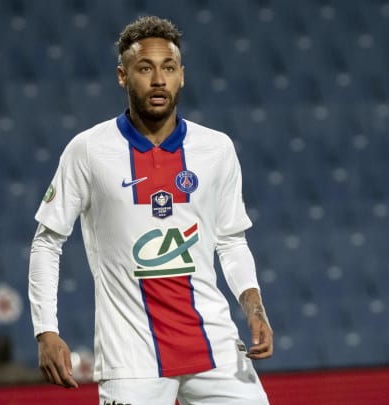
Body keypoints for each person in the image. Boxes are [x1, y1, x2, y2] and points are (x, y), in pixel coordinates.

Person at [28, 15, 273, 404]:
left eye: (169, 68)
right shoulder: (88, 150)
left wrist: (255, 309)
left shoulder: (216, 149)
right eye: (145, 68)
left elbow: (231, 240)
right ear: (122, 76)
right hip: (132, 358)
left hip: (214, 347)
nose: (159, 80)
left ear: (182, 76)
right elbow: (47, 243)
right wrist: (46, 330)